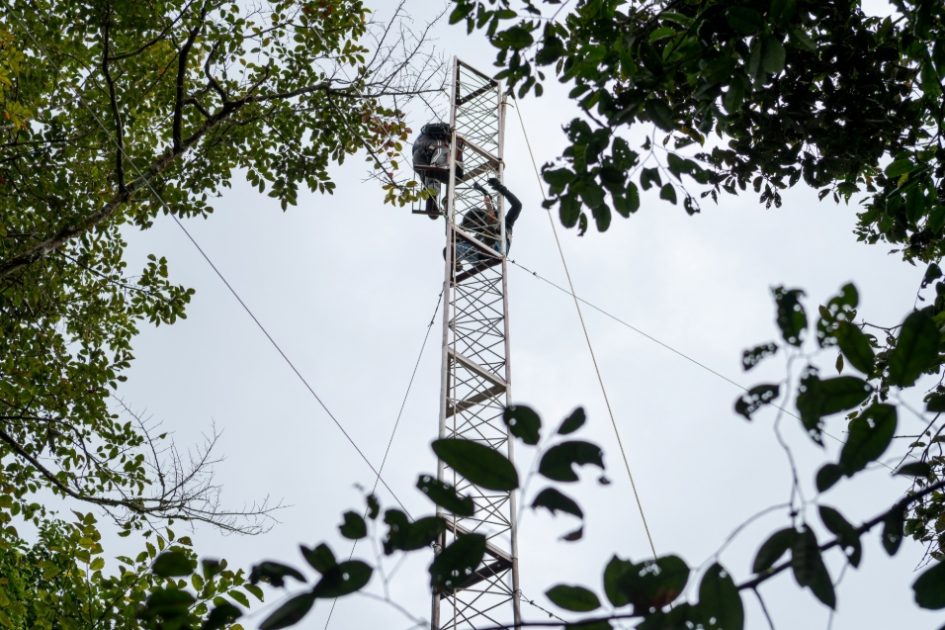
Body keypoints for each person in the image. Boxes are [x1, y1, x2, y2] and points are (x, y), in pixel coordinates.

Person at [455, 177, 523, 268]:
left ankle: (488, 243)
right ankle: (456, 258)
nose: (479, 225)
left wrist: (500, 188)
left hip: (497, 249)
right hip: (476, 253)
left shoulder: (506, 223)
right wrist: (482, 190)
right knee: (456, 245)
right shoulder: (480, 233)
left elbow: (517, 206)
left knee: (490, 228)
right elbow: (489, 205)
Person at [412, 122, 464, 219]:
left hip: (419, 161)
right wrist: (447, 130)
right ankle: (432, 193)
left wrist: (458, 174)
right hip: (424, 151)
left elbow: (458, 168)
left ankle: (431, 199)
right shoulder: (439, 139)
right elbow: (426, 128)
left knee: (431, 177)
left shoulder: (445, 142)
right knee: (440, 158)